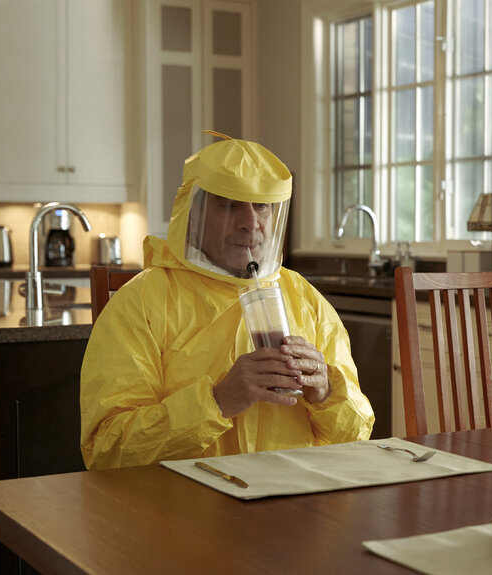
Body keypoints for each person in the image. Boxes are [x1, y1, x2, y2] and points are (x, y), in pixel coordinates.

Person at [81, 133, 375, 469]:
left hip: (294, 501)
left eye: (261, 206)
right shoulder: (142, 302)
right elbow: (107, 450)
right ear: (193, 215)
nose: (250, 224)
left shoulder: (305, 299)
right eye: (229, 204)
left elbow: (356, 438)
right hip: (186, 508)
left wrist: (325, 394)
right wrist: (216, 403)